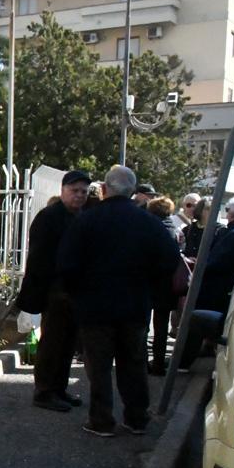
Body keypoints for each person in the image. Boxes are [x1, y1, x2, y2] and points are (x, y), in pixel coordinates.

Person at [57, 166, 180, 438]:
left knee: (98, 366)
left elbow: (66, 263)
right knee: (133, 363)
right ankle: (136, 418)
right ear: (133, 191)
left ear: (104, 189)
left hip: (95, 306)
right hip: (135, 305)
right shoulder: (148, 223)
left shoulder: (87, 221)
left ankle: (101, 419)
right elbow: (170, 260)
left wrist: (76, 292)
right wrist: (149, 285)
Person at [16, 169, 90, 412]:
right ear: (63, 190)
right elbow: (39, 257)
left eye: (83, 191)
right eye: (74, 190)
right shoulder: (49, 216)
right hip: (54, 290)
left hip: (75, 290)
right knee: (53, 342)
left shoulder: (82, 216)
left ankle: (59, 388)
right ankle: (45, 391)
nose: (79, 196)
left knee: (68, 342)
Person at [195, 195, 234, 316]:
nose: (226, 213)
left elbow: (215, 263)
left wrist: (197, 266)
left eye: (227, 209)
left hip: (217, 294)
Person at [145, 197, 181, 376]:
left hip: (150, 282)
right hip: (167, 284)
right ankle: (158, 362)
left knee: (144, 325)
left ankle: (143, 362)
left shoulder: (151, 229)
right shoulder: (173, 229)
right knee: (161, 326)